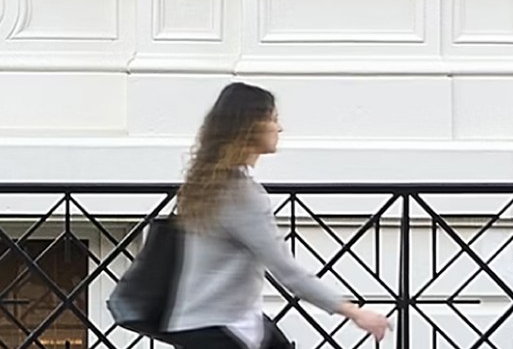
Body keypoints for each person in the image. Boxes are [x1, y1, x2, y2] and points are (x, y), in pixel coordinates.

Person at [162, 83, 391, 348]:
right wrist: (355, 312)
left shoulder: (206, 185)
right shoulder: (241, 195)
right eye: (273, 119)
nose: (279, 128)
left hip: (201, 324)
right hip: (222, 330)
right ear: (250, 127)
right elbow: (287, 271)